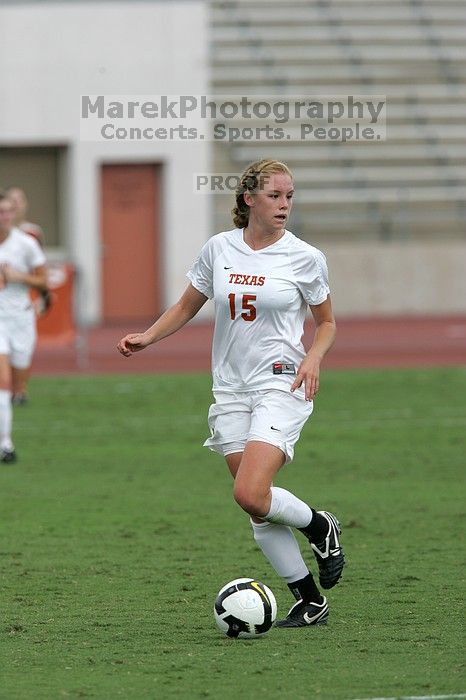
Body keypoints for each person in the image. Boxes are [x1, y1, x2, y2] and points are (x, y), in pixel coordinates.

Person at [117, 159, 345, 627]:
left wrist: (314, 356)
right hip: (230, 388)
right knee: (257, 507)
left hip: (282, 382)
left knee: (249, 491)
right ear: (249, 199)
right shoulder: (219, 248)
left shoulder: (304, 256)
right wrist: (148, 336)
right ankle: (310, 601)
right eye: (275, 196)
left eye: (289, 196)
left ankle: (320, 527)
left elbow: (326, 322)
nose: (284, 205)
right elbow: (186, 305)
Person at [0, 192, 47, 461]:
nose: (4, 217)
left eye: (7, 211)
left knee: (18, 386)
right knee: (2, 383)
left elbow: (43, 281)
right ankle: (6, 444)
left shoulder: (26, 244)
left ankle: (17, 393)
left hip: (21, 319)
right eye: (0, 211)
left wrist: (19, 277)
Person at [6, 187, 51, 404]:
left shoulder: (30, 236)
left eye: (19, 200)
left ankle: (19, 391)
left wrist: (43, 298)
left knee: (21, 356)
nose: (15, 205)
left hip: (21, 305)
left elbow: (40, 272)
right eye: (10, 201)